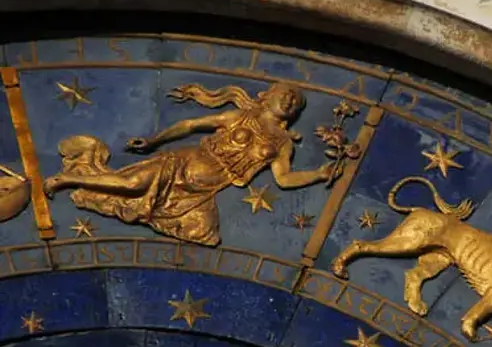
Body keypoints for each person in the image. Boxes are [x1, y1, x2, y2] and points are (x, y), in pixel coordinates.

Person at [44, 82, 358, 246]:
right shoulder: (240, 116)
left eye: (296, 102)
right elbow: (191, 124)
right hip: (181, 164)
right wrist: (154, 141)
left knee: (204, 235)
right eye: (285, 94)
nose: (289, 101)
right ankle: (68, 179)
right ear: (268, 95)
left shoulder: (283, 143)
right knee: (131, 184)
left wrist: (319, 174)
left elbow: (284, 179)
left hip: (204, 191)